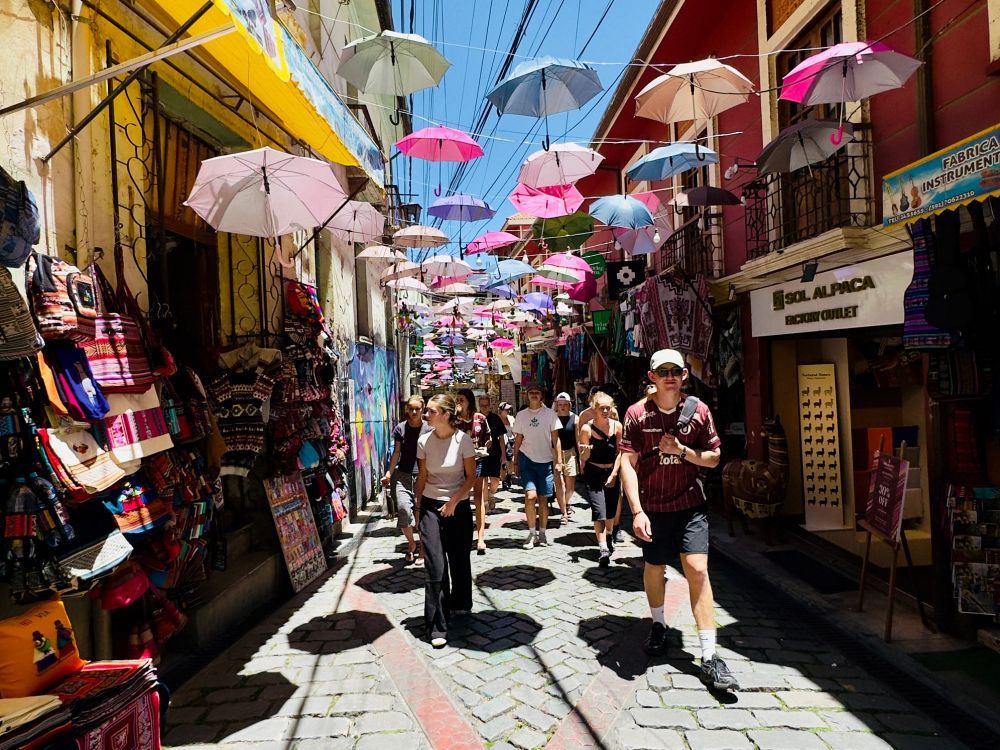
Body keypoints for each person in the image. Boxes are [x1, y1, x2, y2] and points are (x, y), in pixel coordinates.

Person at [618, 349, 738, 692]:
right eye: (663, 371)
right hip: (653, 506)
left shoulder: (699, 411)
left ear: (685, 375)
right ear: (652, 377)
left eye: (676, 370)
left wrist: (682, 451)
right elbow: (628, 462)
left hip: (690, 504)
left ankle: (710, 655)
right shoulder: (637, 414)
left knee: (697, 569)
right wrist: (637, 511)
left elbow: (714, 458)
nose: (670, 375)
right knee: (654, 567)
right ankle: (658, 624)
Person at [414, 393, 477, 648]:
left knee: (459, 558)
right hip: (430, 505)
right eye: (426, 411)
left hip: (458, 505)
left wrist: (453, 501)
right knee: (436, 564)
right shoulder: (424, 441)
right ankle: (437, 624)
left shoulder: (463, 440)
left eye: (430, 411)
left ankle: (461, 601)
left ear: (446, 415)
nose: (425, 415)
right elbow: (422, 477)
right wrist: (418, 508)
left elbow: (471, 477)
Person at [510, 384, 562, 549]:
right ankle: (532, 533)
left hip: (545, 462)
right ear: (526, 395)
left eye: (537, 393)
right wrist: (515, 460)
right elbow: (518, 439)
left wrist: (559, 461)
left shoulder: (550, 414)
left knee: (543, 499)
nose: (533, 395)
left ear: (541, 396)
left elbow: (556, 439)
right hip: (527, 460)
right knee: (530, 496)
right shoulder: (521, 415)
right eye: (531, 392)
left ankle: (542, 533)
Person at [381, 396, 432, 563]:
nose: (414, 412)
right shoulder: (400, 429)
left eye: (417, 408)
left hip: (424, 475)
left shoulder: (430, 429)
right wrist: (388, 473)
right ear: (407, 410)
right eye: (411, 409)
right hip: (403, 475)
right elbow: (396, 452)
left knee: (422, 513)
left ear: (423, 408)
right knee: (403, 509)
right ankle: (411, 544)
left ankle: (423, 549)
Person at [578, 391, 622, 568]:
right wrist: (586, 450)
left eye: (607, 408)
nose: (605, 411)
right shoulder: (586, 429)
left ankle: (609, 535)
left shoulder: (618, 427)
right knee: (599, 511)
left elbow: (621, 453)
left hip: (612, 471)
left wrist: (614, 474)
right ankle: (603, 548)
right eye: (601, 408)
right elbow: (584, 457)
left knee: (611, 512)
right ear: (594, 409)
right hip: (594, 472)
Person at [455, 388, 492, 554]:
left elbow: (488, 438)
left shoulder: (480, 419)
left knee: (478, 498)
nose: (459, 402)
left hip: (478, 461)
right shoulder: (454, 421)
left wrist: (484, 447)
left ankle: (481, 537)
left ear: (469, 400)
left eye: (461, 399)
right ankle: (461, 535)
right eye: (458, 400)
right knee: (460, 498)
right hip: (459, 463)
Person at [477, 394, 508, 516]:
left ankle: (491, 495)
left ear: (490, 405)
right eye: (482, 405)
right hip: (480, 454)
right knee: (483, 479)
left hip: (495, 453)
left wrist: (504, 455)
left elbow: (501, 438)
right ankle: (485, 504)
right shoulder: (476, 419)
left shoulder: (496, 418)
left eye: (486, 405)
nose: (484, 407)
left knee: (495, 479)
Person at [553, 392, 579, 525]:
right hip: (554, 454)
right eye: (560, 405)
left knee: (570, 487)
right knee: (560, 485)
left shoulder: (575, 418)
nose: (562, 407)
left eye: (565, 405)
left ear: (569, 405)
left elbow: (578, 440)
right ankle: (563, 513)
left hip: (570, 453)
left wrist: (582, 458)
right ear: (556, 405)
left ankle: (567, 503)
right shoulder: (552, 418)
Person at [498, 402, 516, 489]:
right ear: (501, 410)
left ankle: (509, 476)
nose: (508, 411)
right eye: (506, 410)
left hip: (511, 440)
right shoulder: (497, 420)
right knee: (503, 463)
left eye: (509, 409)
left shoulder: (511, 418)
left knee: (512, 461)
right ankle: (504, 481)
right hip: (502, 442)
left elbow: (515, 430)